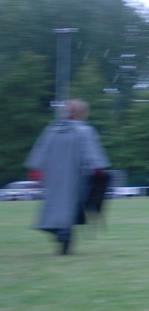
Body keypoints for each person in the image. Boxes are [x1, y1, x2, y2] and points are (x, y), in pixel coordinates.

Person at [25, 99, 110, 255]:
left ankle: (59, 233)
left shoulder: (52, 130)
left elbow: (41, 151)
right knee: (71, 211)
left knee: (55, 209)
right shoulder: (84, 131)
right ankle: (63, 236)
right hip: (77, 178)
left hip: (54, 179)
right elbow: (92, 153)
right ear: (82, 114)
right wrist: (98, 170)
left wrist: (36, 172)